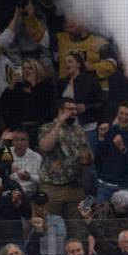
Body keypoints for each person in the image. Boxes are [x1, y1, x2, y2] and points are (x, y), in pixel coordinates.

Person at [37, 99, 92, 237]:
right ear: (60, 111)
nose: (74, 112)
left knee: (79, 230)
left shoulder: (79, 131)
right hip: (52, 188)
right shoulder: (46, 128)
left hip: (76, 187)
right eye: (70, 109)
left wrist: (87, 158)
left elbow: (89, 157)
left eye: (75, 109)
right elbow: (45, 146)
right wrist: (59, 123)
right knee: (52, 230)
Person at [94, 101, 128, 203]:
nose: (123, 117)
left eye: (127, 114)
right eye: (121, 113)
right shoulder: (110, 130)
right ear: (117, 114)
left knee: (125, 219)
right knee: (100, 218)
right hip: (105, 186)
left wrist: (122, 148)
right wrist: (101, 137)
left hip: (125, 188)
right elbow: (99, 157)